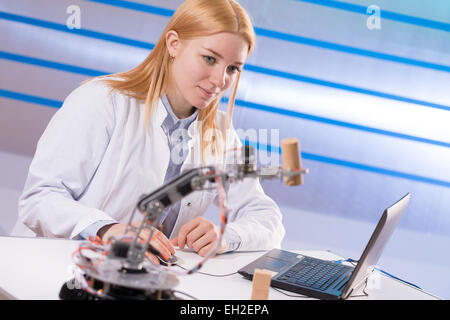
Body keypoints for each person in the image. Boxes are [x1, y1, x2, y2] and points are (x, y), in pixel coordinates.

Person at [18, 0, 285, 264]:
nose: (220, 80)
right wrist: (107, 229)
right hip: (59, 272)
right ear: (174, 44)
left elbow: (266, 217)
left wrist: (227, 235)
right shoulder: (103, 101)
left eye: (233, 68)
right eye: (209, 58)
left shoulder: (221, 132)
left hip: (140, 282)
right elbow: (40, 198)